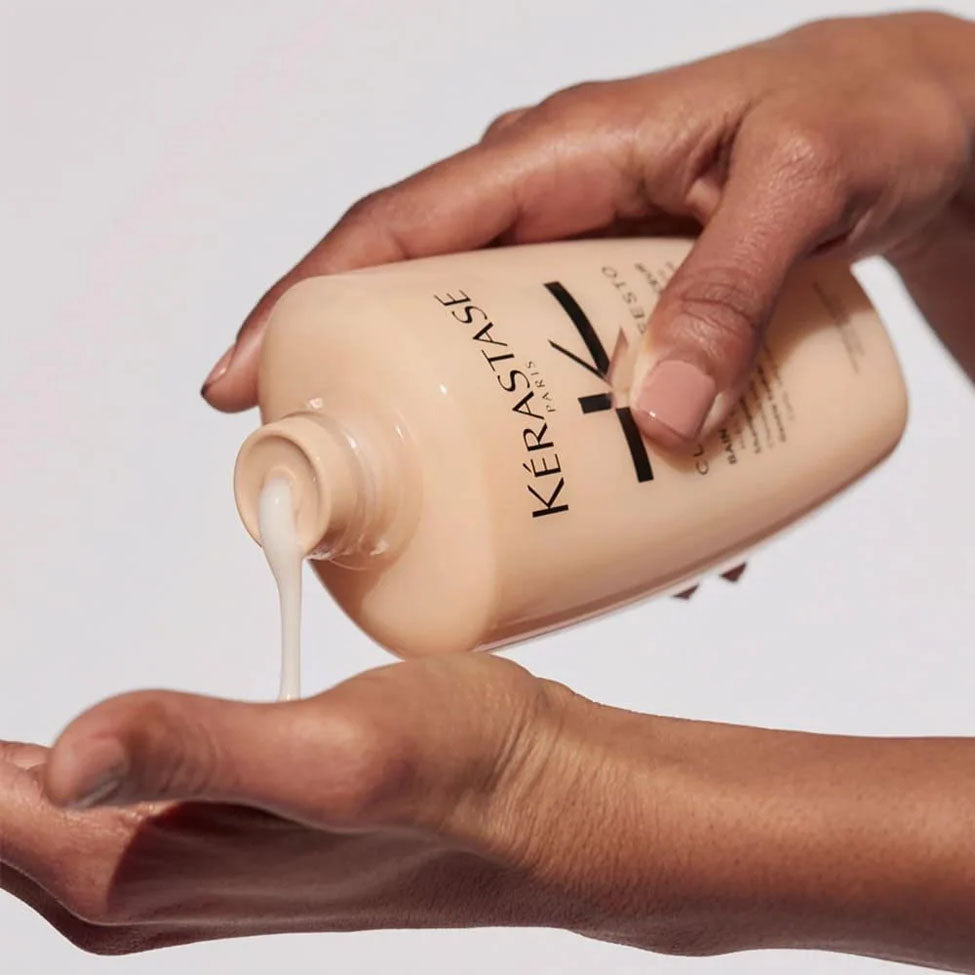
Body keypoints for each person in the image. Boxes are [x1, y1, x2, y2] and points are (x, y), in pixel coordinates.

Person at [1, 10, 972, 968]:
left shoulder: (413, 576)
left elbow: (544, 798)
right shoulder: (419, 602)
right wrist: (944, 101)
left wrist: (552, 802)